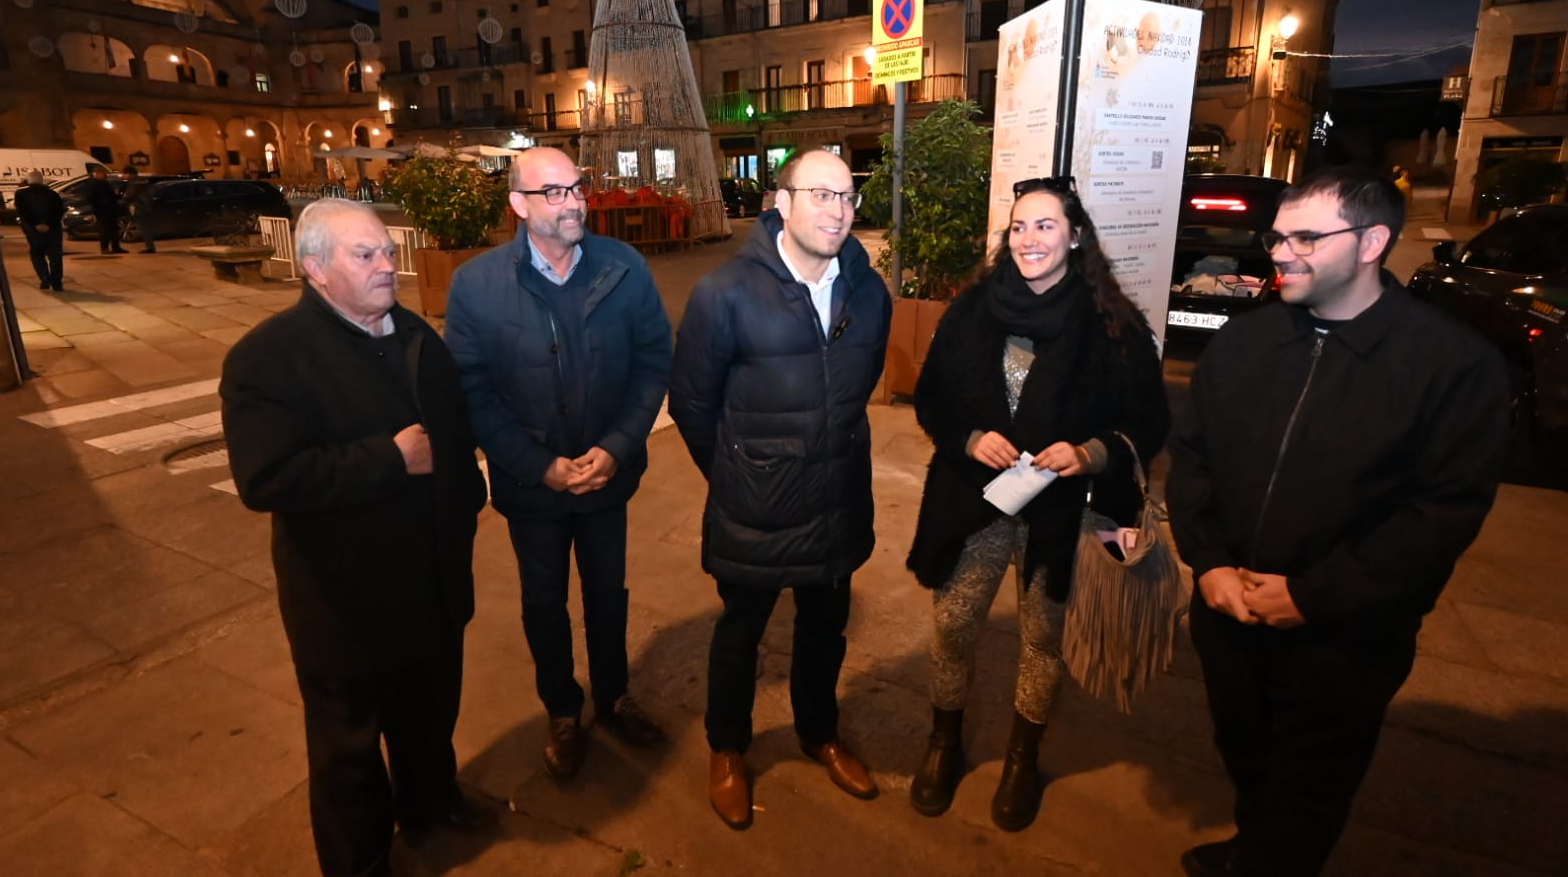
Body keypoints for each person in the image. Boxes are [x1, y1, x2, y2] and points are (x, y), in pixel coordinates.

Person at [1167, 168, 1508, 877]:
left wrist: (1314, 597)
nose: (1280, 253)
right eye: (1277, 236)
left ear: (1371, 242)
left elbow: (1440, 513)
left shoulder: (1451, 366)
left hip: (1343, 639)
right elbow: (1193, 458)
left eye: (1304, 237)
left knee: (1308, 788)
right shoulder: (1243, 344)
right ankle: (1253, 848)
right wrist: (1209, 563)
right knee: (1248, 758)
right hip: (1227, 614)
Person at [220, 199, 497, 877]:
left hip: (431, 582)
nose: (387, 266)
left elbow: (454, 439)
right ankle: (361, 861)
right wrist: (389, 459)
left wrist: (466, 500)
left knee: (428, 714)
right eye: (364, 255)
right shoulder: (267, 358)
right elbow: (267, 478)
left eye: (386, 251)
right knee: (348, 750)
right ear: (314, 267)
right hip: (344, 601)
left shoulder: (413, 335)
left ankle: (430, 803)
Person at [905, 176, 1169, 831]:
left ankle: (1023, 758)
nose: (1028, 239)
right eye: (1018, 227)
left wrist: (1091, 452)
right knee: (953, 624)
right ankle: (943, 741)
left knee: (1042, 637)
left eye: (1044, 226)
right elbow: (933, 396)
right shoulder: (970, 312)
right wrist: (968, 437)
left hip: (1063, 510)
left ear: (1075, 236)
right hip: (974, 497)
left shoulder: (1114, 326)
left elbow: (1150, 420)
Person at [669, 148, 892, 830]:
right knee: (741, 633)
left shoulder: (869, 291)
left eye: (847, 196)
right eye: (820, 194)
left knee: (825, 631)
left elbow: (857, 392)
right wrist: (740, 471)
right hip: (756, 507)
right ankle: (727, 749)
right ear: (780, 203)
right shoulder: (724, 293)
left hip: (836, 499)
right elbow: (692, 406)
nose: (837, 209)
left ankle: (817, 732)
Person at [444, 146, 672, 781]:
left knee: (608, 595)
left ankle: (614, 696)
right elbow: (472, 392)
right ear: (518, 205)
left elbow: (655, 361)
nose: (575, 202)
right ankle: (563, 711)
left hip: (607, 477)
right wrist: (536, 464)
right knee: (543, 602)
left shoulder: (623, 267)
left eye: (577, 188)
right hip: (532, 488)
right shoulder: (478, 286)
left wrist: (618, 446)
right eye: (555, 193)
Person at [13, 170, 66, 291]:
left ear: (27, 180)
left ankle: (44, 277)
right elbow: (58, 211)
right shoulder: (52, 194)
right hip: (52, 229)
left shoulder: (21, 194)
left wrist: (36, 224)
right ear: (41, 180)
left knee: (37, 254)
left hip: (33, 230)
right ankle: (56, 282)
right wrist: (49, 224)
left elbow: (23, 211)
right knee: (55, 255)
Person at [80, 163, 125, 254]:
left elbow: (110, 195)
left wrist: (116, 195)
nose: (104, 175)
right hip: (102, 210)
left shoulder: (104, 182)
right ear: (97, 173)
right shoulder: (93, 184)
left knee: (113, 229)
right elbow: (90, 197)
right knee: (105, 229)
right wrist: (104, 201)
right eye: (102, 173)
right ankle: (105, 248)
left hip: (110, 209)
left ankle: (116, 247)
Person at [121, 165, 157, 253]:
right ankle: (150, 247)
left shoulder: (134, 182)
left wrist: (124, 196)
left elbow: (129, 195)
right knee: (145, 228)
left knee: (143, 228)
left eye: (124, 173)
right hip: (145, 207)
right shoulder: (142, 181)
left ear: (129, 174)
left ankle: (150, 248)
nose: (123, 175)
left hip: (139, 207)